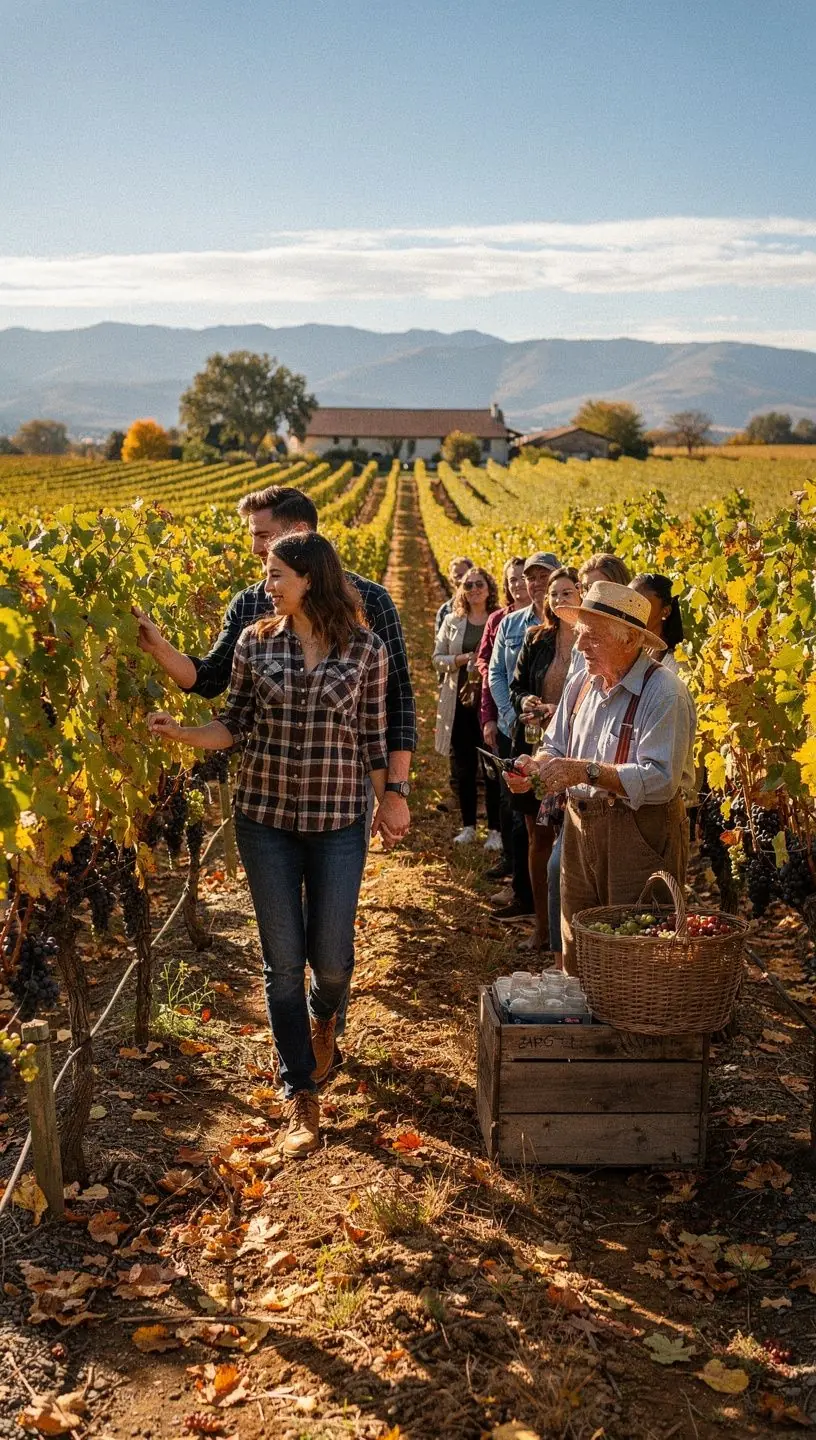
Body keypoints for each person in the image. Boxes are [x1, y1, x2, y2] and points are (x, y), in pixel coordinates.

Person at [148, 533, 388, 1160]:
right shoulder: (256, 643)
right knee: (282, 963)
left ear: (310, 577)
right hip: (265, 820)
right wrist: (182, 733)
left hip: (338, 821)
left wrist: (390, 799)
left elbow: (372, 738)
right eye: (266, 571)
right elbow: (237, 724)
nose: (267, 582)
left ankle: (326, 1014)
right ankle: (300, 1091)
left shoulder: (366, 648)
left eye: (277, 571)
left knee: (331, 959)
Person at [136, 484, 416, 846]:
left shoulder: (370, 601)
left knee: (331, 902)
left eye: (263, 536)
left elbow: (398, 701)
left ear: (299, 534)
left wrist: (394, 793)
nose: (254, 548)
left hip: (339, 792)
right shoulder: (250, 604)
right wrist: (159, 648)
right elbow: (209, 679)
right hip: (269, 795)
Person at [508, 581, 696, 975]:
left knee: (636, 944)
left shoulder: (664, 693)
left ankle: (635, 1032)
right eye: (579, 636)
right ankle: (583, 1027)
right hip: (579, 827)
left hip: (639, 832)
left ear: (629, 639)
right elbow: (555, 745)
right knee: (579, 936)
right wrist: (535, 768)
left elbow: (660, 780)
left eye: (591, 638)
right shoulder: (582, 684)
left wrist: (586, 772)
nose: (579, 648)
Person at [509, 567, 581, 954]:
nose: (559, 599)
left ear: (581, 595)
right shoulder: (537, 639)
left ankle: (571, 935)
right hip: (538, 747)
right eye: (555, 594)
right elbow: (517, 684)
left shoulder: (591, 642)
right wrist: (528, 703)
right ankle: (543, 927)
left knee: (572, 843)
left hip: (576, 753)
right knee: (538, 837)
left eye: (567, 592)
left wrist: (561, 711)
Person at [487, 552, 561, 917]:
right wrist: (511, 715)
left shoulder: (567, 629)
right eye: (529, 577)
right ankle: (527, 899)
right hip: (519, 732)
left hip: (560, 738)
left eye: (542, 576)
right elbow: (499, 676)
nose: (534, 583)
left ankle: (552, 912)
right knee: (523, 822)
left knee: (552, 827)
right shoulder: (513, 625)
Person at [434, 566, 501, 847]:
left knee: (491, 766)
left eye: (479, 584)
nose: (473, 589)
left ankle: (495, 831)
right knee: (464, 767)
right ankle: (469, 826)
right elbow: (437, 658)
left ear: (489, 588)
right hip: (460, 703)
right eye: (468, 585)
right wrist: (461, 659)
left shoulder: (499, 619)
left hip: (488, 703)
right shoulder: (452, 620)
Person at [476, 557, 529, 878]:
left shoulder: (550, 622)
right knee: (507, 794)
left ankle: (525, 870)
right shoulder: (500, 621)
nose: (518, 584)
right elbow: (489, 673)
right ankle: (511, 862)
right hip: (506, 718)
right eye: (512, 579)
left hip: (537, 724)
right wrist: (490, 717)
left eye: (522, 578)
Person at [629, 573, 685, 672]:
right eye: (629, 602)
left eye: (642, 605)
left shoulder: (676, 666)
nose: (632, 611)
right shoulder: (623, 650)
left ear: (666, 612)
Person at [435, 556, 475, 637]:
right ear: (451, 580)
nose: (462, 580)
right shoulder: (445, 611)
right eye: (458, 576)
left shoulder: (485, 606)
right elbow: (440, 645)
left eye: (465, 575)